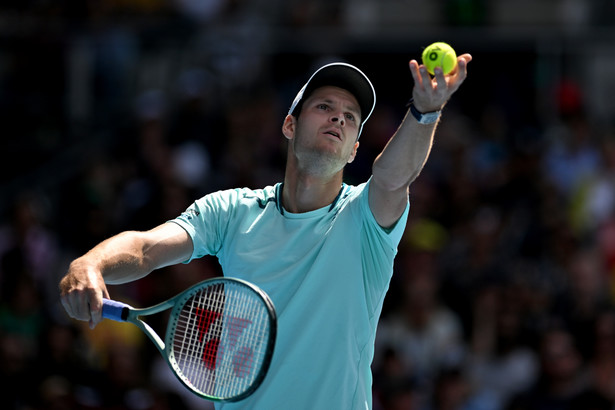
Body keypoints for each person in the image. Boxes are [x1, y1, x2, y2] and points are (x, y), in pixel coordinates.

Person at [59, 54, 472, 409]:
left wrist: (424, 112)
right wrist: (90, 264)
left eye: (350, 118)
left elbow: (393, 178)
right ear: (290, 125)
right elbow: (147, 248)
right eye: (324, 107)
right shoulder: (231, 212)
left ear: (354, 150)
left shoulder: (365, 219)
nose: (338, 118)